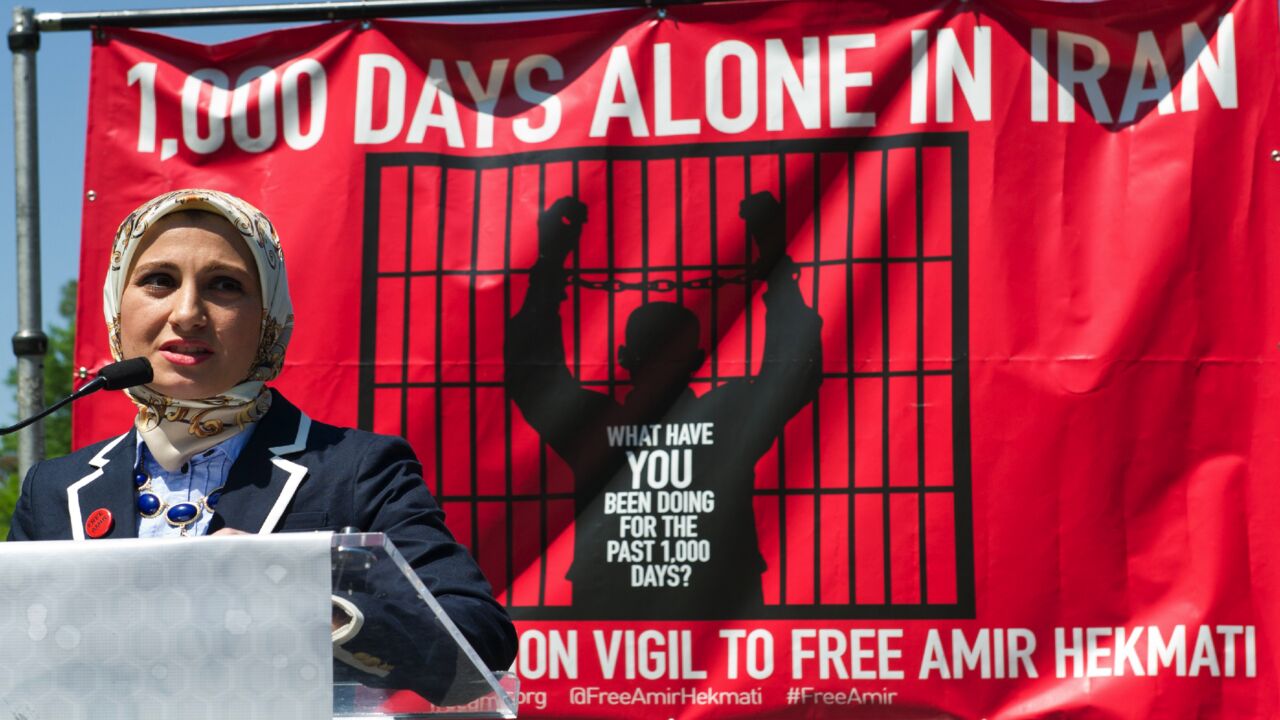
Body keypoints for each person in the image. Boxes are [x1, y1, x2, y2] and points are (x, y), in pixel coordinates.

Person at [7, 189, 516, 701]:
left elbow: (479, 639)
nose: (187, 313)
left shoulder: (357, 471)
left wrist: (298, 599)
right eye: (159, 281)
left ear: (267, 317)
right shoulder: (54, 489)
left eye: (224, 286)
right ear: (118, 301)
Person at [505, 191, 823, 619]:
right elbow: (794, 364)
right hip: (719, 604)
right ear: (697, 361)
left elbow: (532, 368)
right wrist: (775, 259)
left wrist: (550, 262)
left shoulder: (591, 423)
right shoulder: (731, 415)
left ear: (622, 361)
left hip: (609, 604)